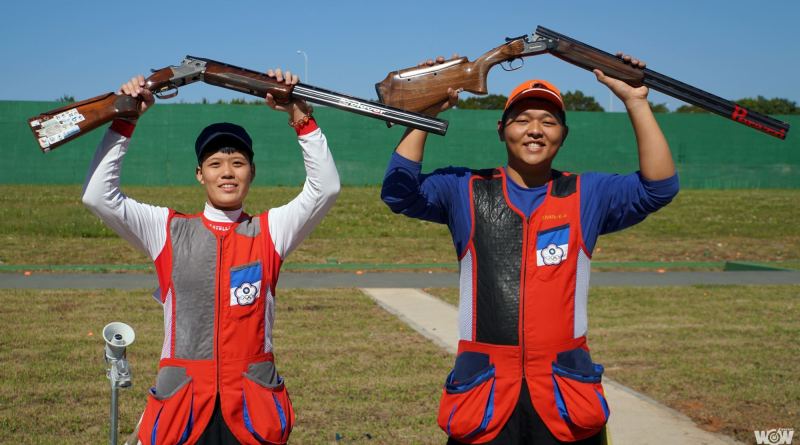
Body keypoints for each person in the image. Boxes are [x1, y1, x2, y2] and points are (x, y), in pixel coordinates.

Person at [381, 55, 679, 445]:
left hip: (564, 396)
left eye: (549, 121)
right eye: (522, 120)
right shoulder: (466, 189)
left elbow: (658, 188)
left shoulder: (587, 194)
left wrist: (636, 101)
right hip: (483, 396)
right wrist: (425, 110)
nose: (535, 130)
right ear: (501, 129)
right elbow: (399, 192)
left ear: (564, 134)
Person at [82, 69, 340, 445]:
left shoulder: (271, 230)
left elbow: (326, 188)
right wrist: (125, 118)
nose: (227, 173)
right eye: (216, 164)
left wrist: (300, 117)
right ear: (199, 174)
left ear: (251, 172)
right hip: (182, 410)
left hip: (252, 409)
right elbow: (97, 196)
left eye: (237, 163)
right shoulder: (167, 229)